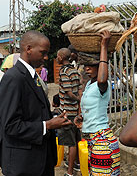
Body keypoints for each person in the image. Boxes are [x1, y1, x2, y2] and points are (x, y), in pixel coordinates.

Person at [0, 30, 72, 176]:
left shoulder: (32, 76)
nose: (46, 57)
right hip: (23, 164)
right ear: (28, 49)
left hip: (40, 159)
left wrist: (56, 118)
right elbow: (11, 126)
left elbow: (34, 112)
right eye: (43, 52)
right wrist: (48, 125)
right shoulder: (14, 78)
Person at [74, 30, 120, 176]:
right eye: (85, 65)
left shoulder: (102, 85)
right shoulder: (89, 85)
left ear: (99, 67)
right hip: (92, 141)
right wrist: (81, 118)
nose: (86, 68)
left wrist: (104, 46)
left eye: (91, 65)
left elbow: (102, 78)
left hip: (102, 140)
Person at [56, 48, 82, 176]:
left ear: (61, 57)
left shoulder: (64, 71)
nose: (56, 58)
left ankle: (70, 172)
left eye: (57, 56)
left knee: (71, 143)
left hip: (68, 112)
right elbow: (79, 89)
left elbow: (69, 92)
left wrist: (77, 99)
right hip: (76, 112)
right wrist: (80, 103)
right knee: (76, 140)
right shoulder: (75, 71)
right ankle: (77, 163)